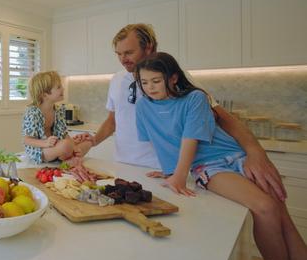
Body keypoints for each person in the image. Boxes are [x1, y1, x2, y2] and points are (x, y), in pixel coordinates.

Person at [134, 52, 307, 260]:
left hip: (237, 155)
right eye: (144, 82)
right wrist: (173, 173)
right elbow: (161, 141)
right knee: (266, 208)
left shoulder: (195, 97)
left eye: (156, 81)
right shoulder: (143, 107)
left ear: (173, 78)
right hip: (209, 167)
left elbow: (190, 138)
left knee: (281, 211)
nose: (150, 87)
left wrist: (177, 174)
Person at [87, 23, 286, 201]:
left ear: (149, 48)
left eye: (129, 52)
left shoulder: (175, 79)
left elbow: (223, 118)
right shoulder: (117, 79)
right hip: (124, 165)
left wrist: (255, 152)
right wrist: (91, 142)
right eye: (119, 54)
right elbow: (113, 121)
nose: (123, 60)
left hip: (164, 169)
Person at [22, 71, 92, 163]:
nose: (63, 89)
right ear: (45, 95)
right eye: (59, 87)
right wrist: (45, 143)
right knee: (65, 145)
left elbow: (64, 134)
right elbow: (27, 140)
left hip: (56, 147)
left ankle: (71, 155)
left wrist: (74, 147)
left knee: (88, 142)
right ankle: (69, 158)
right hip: (41, 151)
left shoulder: (58, 110)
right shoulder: (33, 112)